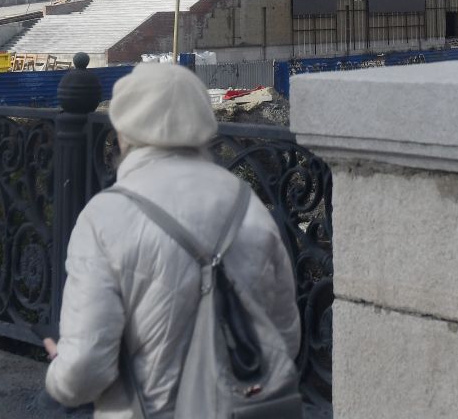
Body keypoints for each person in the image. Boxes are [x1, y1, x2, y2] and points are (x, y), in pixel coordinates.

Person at [42, 63, 300, 417]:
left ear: (123, 132)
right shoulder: (246, 203)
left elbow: (84, 371)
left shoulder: (104, 217)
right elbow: (285, 335)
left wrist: (59, 368)